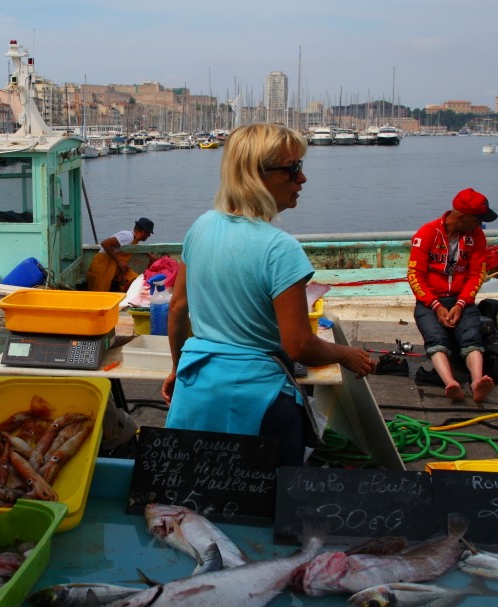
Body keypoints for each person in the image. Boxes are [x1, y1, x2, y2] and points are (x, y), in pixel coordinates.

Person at [159, 123, 375, 466]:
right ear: (255, 176)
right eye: (293, 169)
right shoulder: (280, 249)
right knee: (267, 504)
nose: (301, 179)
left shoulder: (200, 227)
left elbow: (177, 308)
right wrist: (345, 354)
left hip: (196, 385)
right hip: (257, 400)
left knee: (193, 493)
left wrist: (176, 368)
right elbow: (299, 346)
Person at [408, 188, 498, 403]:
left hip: (461, 299)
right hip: (430, 301)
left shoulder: (477, 237)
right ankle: (450, 382)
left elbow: (477, 273)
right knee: (435, 339)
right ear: (461, 217)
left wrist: (461, 303)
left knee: (471, 337)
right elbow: (415, 275)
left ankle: (477, 382)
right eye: (477, 220)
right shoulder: (427, 233)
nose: (479, 225)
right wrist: (436, 306)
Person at [85, 217, 153, 291]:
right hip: (102, 266)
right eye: (148, 233)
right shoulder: (128, 236)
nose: (149, 236)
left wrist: (150, 255)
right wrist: (119, 261)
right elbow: (105, 243)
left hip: (114, 268)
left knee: (135, 280)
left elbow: (135, 247)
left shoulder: (134, 239)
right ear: (143, 232)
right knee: (100, 293)